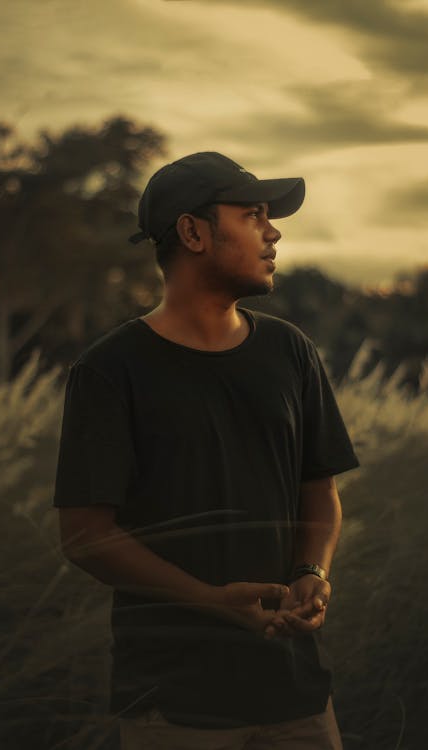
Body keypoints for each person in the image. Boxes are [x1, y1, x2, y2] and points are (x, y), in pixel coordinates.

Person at [52, 151, 360, 749]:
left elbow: (320, 489)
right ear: (193, 232)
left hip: (296, 695)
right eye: (252, 215)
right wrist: (213, 602)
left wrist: (311, 572)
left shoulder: (289, 351)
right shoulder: (110, 371)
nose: (273, 233)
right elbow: (85, 534)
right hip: (175, 706)